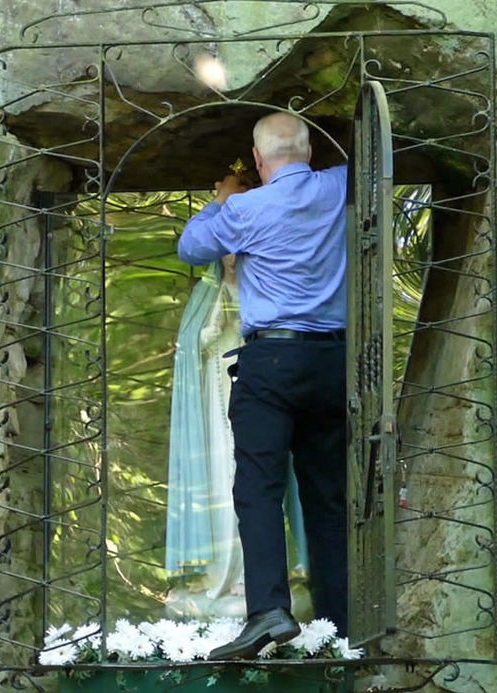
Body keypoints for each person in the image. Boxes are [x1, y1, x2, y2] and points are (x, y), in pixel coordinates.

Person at [178, 111, 348, 659]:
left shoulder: (245, 208)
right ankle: (337, 623)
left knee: (258, 487)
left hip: (270, 361)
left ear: (256, 161)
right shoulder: (339, 186)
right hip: (333, 360)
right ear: (309, 152)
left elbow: (191, 246)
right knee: (328, 495)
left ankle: (270, 610)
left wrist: (224, 199)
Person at [164, 255, 311, 619]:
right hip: (215, 412)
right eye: (225, 249)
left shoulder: (264, 288)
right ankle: (219, 575)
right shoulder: (206, 292)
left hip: (260, 402)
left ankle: (259, 577)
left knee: (261, 486)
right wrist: (216, 323)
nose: (232, 257)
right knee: (220, 489)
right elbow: (192, 345)